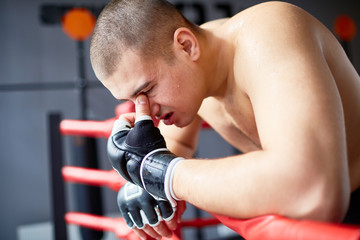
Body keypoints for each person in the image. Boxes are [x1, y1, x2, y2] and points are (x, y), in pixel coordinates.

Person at [90, 0, 360, 239]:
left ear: (186, 45)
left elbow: (313, 190)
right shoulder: (196, 78)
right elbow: (172, 152)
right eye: (133, 99)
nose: (145, 111)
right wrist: (140, 181)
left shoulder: (265, 34)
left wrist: (164, 174)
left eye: (147, 90)